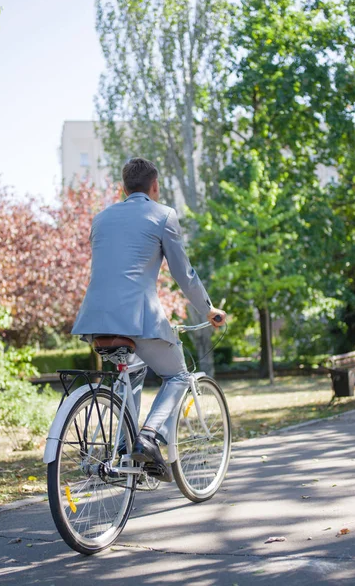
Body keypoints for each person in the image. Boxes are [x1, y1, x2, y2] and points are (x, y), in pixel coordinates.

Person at [72, 157, 226, 482]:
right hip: (138, 317)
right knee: (179, 376)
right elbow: (184, 274)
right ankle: (148, 436)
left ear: (121, 188)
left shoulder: (100, 219)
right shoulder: (163, 215)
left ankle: (128, 455)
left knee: (133, 371)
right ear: (154, 187)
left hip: (95, 319)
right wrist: (208, 310)